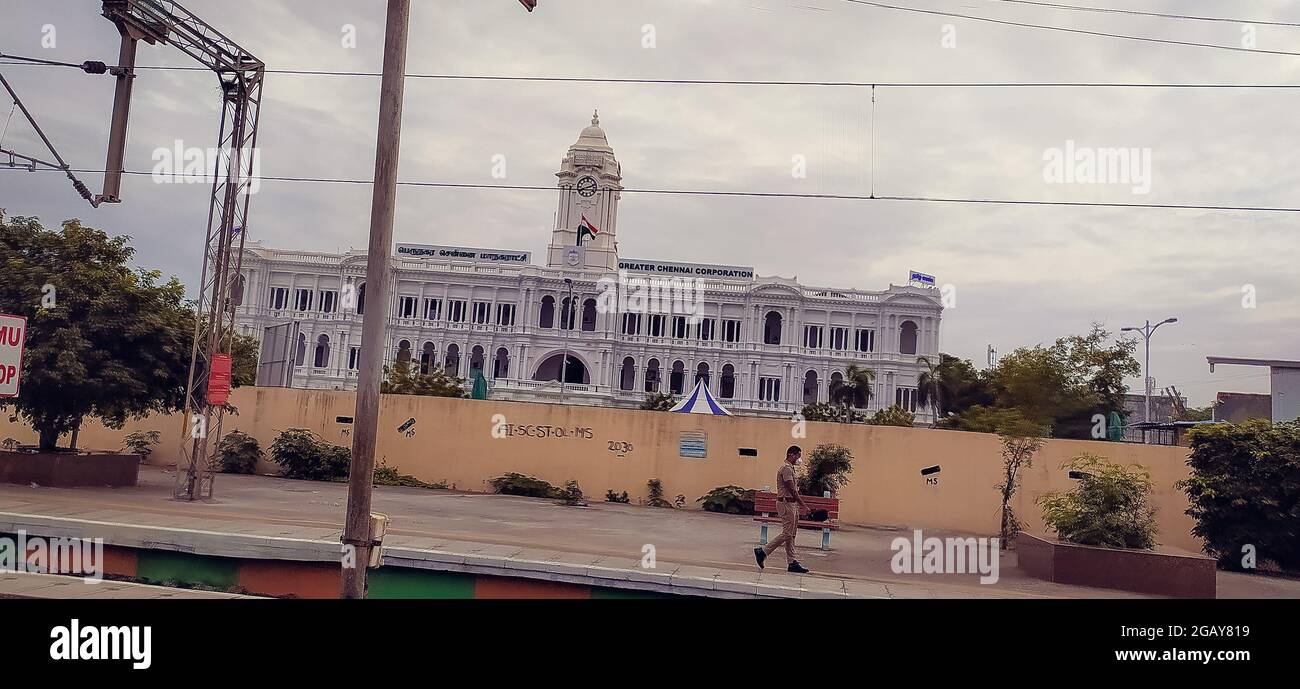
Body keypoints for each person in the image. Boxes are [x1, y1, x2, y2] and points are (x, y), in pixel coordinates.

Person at [754, 445, 811, 574]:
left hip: (792, 504)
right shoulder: (786, 469)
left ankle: (792, 562)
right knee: (787, 533)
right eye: (797, 456)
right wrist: (803, 505)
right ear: (791, 454)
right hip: (786, 504)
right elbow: (791, 489)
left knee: (791, 535)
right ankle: (763, 552)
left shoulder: (791, 469)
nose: (798, 459)